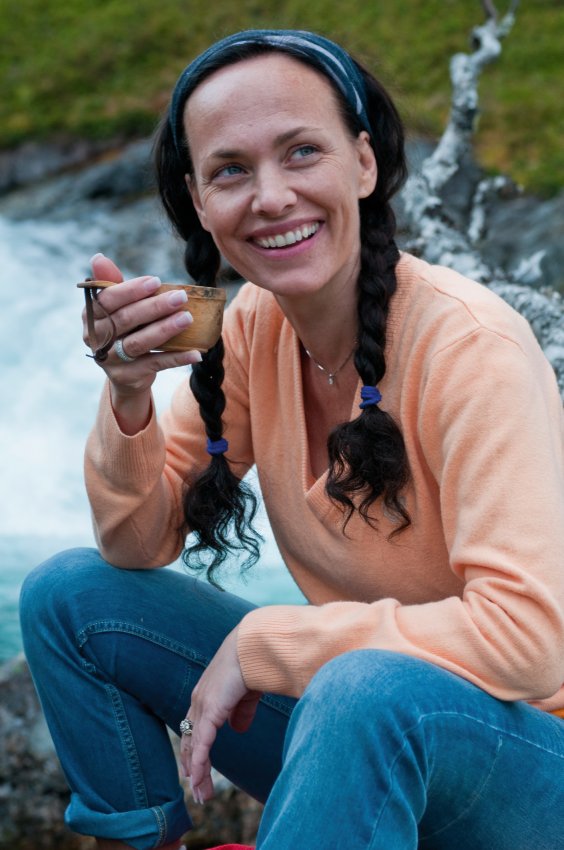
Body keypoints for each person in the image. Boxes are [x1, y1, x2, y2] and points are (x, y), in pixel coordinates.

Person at [19, 28, 564, 850]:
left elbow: (529, 642)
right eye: (231, 170)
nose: (270, 197)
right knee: (70, 595)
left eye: (302, 151)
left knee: (361, 687)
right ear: (199, 201)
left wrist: (268, 642)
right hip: (362, 728)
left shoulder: (471, 349)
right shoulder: (254, 326)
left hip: (527, 764)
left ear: (364, 163)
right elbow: (135, 545)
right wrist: (127, 393)